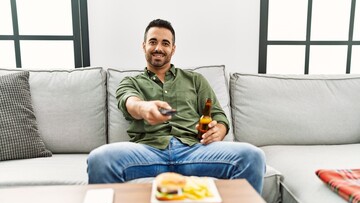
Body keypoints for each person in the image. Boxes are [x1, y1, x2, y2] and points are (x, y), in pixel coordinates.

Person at [87, 19, 266, 193]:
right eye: (153, 42)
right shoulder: (130, 82)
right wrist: (144, 108)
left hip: (194, 151)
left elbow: (219, 116)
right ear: (144, 46)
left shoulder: (195, 80)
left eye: (165, 43)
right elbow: (130, 101)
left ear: (173, 49)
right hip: (147, 151)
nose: (158, 48)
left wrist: (218, 130)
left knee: (253, 156)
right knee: (99, 159)